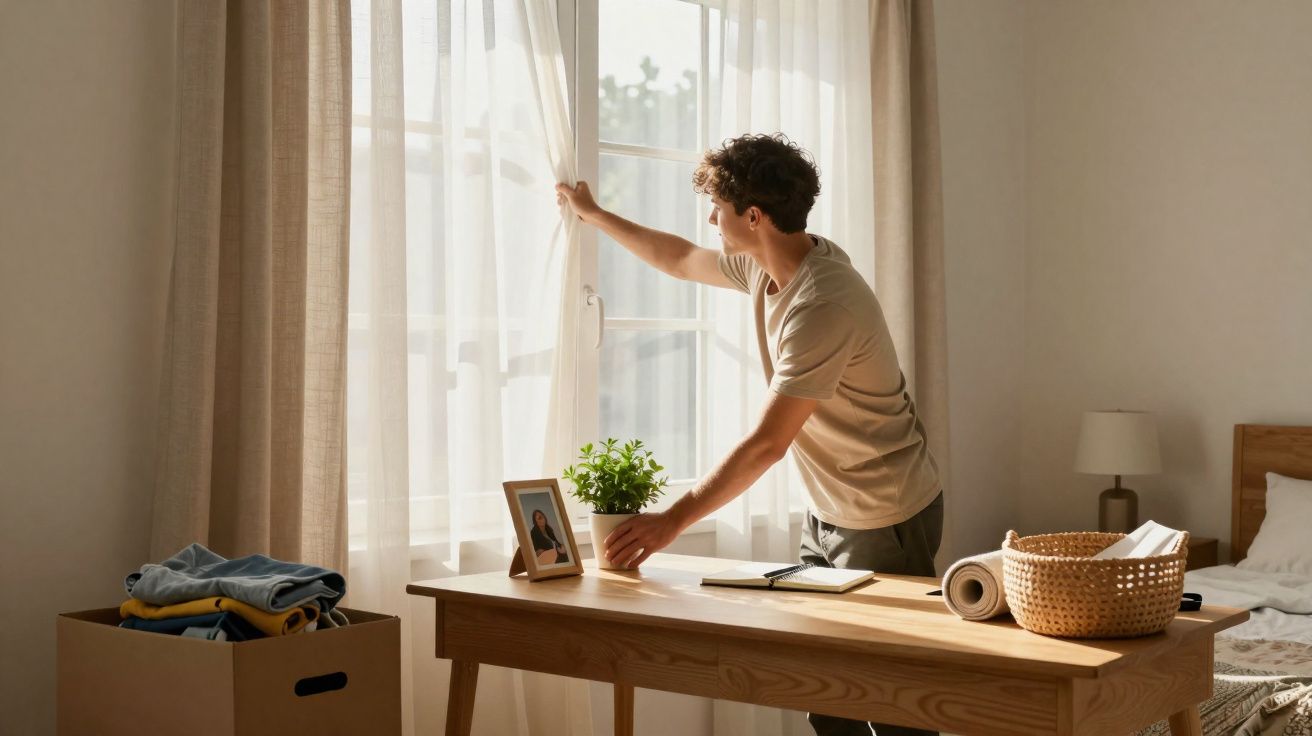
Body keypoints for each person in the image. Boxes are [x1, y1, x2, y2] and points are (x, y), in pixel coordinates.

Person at [555, 132, 943, 736]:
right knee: (827, 696)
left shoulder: (822, 304)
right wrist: (596, 215)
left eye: (718, 206)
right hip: (832, 507)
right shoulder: (773, 266)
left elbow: (768, 443)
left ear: (754, 216)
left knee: (886, 696)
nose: (711, 218)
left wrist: (669, 522)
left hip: (882, 511)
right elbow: (679, 259)